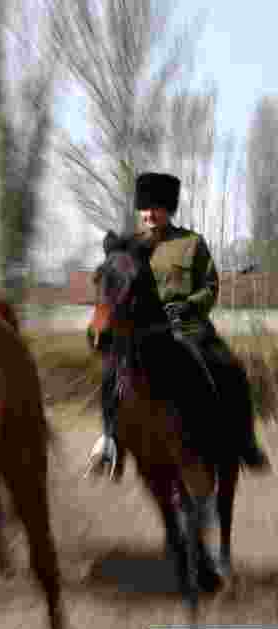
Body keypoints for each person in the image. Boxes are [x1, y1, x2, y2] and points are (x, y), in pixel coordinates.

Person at [88, 172, 269, 477]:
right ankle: (109, 441)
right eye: (144, 208)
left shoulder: (191, 243)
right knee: (112, 373)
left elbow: (210, 286)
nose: (148, 213)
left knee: (231, 368)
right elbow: (111, 286)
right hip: (141, 332)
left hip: (187, 326)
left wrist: (188, 305)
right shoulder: (127, 247)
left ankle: (245, 442)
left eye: (155, 207)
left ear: (169, 209)